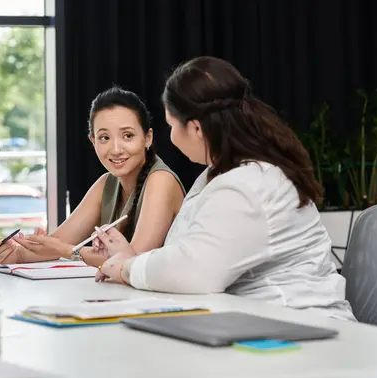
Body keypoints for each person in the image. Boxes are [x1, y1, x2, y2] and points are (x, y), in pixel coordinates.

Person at [91, 56, 356, 321]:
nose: (170, 137)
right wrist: (128, 259)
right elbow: (187, 251)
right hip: (265, 321)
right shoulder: (224, 174)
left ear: (195, 128)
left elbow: (195, 271)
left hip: (302, 327)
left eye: (171, 126)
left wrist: (127, 268)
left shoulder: (247, 185)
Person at [0, 86, 186, 267]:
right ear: (93, 141)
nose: (116, 149)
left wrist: (66, 251)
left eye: (127, 136)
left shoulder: (161, 181)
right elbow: (58, 242)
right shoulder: (106, 184)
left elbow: (134, 260)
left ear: (148, 137)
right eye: (104, 138)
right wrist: (17, 253)